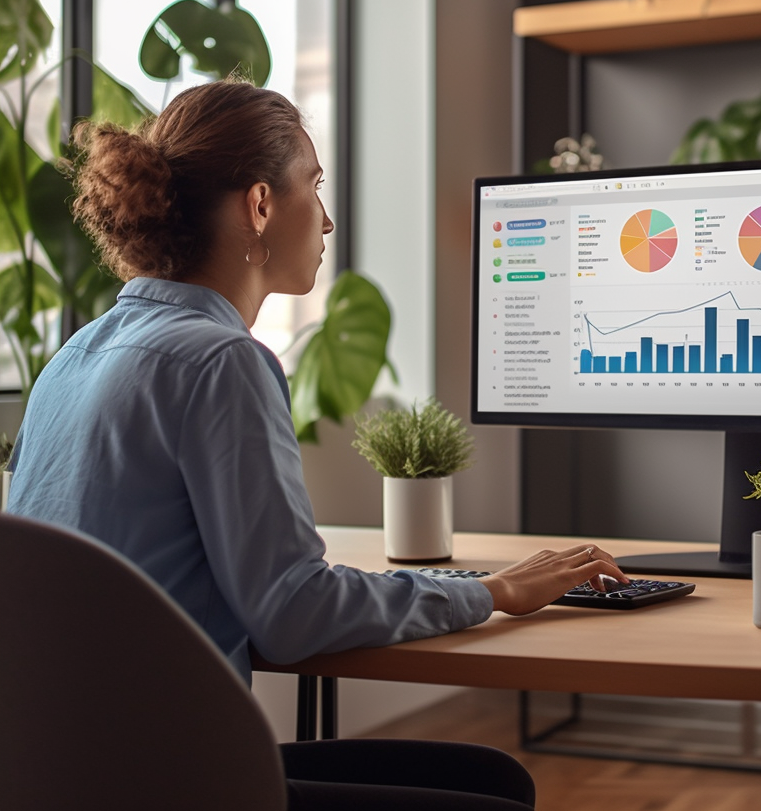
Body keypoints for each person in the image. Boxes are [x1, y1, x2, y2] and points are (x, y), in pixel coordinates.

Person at [7, 79, 628, 810]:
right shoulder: (220, 361)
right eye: (315, 185)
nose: (328, 220)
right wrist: (492, 591)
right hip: (173, 778)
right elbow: (291, 613)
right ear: (260, 204)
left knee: (494, 779)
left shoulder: (76, 354)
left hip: (58, 771)